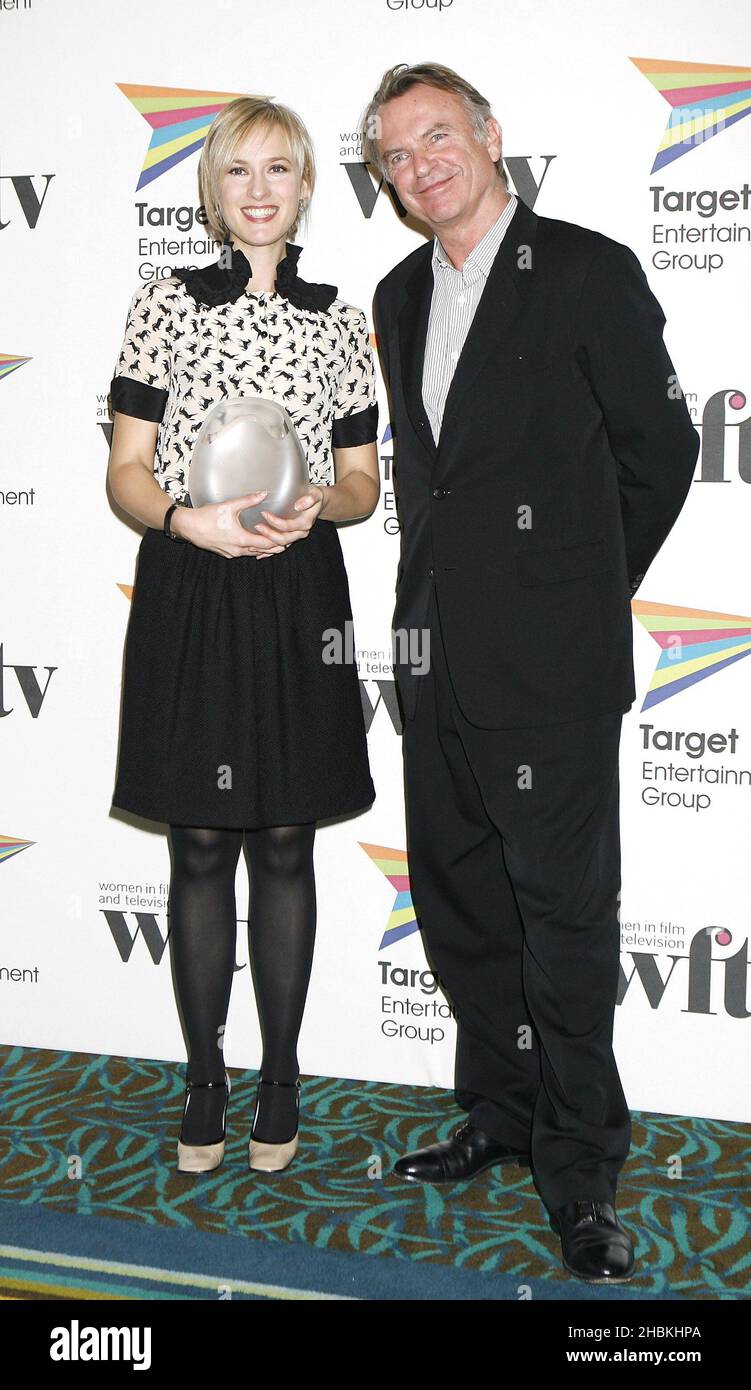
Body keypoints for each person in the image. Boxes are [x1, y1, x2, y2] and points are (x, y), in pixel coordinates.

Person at [363, 62, 699, 1282]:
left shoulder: (586, 270)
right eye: (395, 154)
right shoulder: (398, 293)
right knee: (463, 911)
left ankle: (578, 1171)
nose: (419, 166)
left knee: (561, 923)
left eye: (437, 136)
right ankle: (501, 1113)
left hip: (550, 668)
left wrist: (568, 587)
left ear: (491, 136)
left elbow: (659, 453)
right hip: (434, 656)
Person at [108, 95, 379, 1176]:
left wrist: (318, 500)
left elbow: (363, 482)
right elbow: (126, 472)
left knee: (283, 839)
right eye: (237, 172)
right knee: (201, 841)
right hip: (192, 583)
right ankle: (204, 1075)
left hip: (297, 588)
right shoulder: (162, 301)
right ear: (212, 192)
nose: (259, 190)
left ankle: (280, 1077)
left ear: (307, 185)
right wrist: (190, 521)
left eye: (279, 170)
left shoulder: (339, 318)